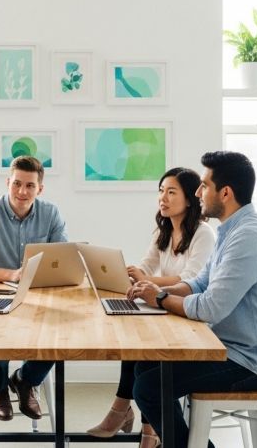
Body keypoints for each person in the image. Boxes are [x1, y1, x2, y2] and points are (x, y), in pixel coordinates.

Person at [128, 151, 257, 448]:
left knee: (149, 387)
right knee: (144, 367)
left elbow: (210, 306)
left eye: (204, 185)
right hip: (229, 348)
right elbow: (199, 283)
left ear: (226, 193)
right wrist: (149, 290)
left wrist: (161, 297)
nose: (198, 191)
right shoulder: (231, 231)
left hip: (252, 361)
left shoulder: (248, 238)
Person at [86, 167, 216, 447]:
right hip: (166, 309)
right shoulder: (165, 229)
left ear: (190, 198)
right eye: (161, 191)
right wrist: (130, 275)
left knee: (146, 353)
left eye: (171, 192)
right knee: (134, 336)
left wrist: (148, 283)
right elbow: (147, 264)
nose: (163, 198)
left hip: (188, 315)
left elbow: (193, 279)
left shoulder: (203, 234)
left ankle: (129, 418)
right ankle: (140, 426)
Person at [0, 155, 67, 422]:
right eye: (17, 184)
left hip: (38, 297)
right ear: (8, 182)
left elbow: (63, 261)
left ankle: (25, 380)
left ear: (39, 189)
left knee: (60, 332)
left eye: (30, 186)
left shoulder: (50, 213)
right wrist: (14, 275)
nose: (22, 191)